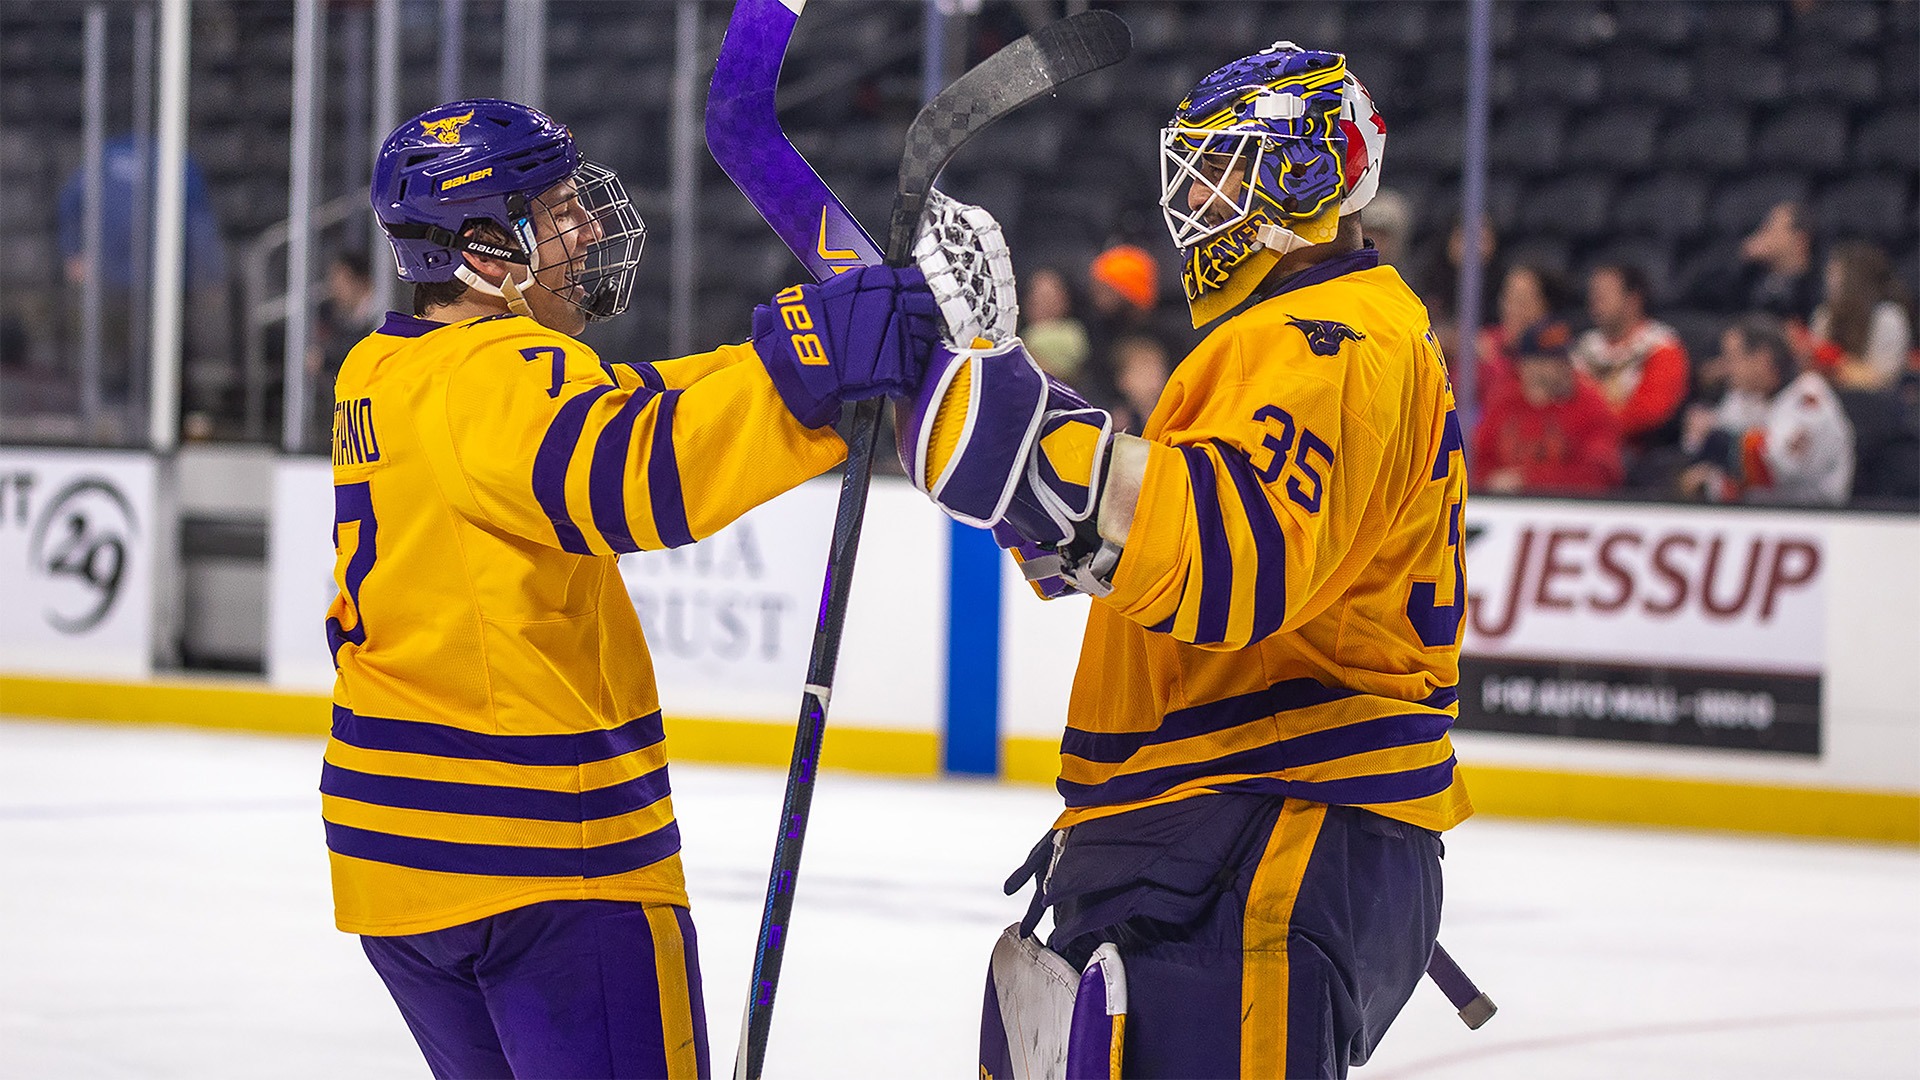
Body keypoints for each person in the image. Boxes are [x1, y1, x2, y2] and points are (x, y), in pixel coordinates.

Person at [326, 99, 937, 1079]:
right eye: (560, 213)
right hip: (536, 857)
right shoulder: (498, 374)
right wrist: (810, 368)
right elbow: (639, 469)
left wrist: (791, 362)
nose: (593, 229)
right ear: (486, 250)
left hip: (396, 865)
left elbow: (618, 405)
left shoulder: (382, 370)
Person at [896, 44, 1469, 1077]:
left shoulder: (1326, 337)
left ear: (1308, 171)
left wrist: (1032, 447)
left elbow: (1232, 557)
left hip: (1265, 821)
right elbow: (1150, 556)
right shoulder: (1288, 337)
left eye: (1225, 167)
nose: (1195, 196)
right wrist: (987, 408)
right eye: (1193, 168)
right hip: (1212, 825)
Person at [1681, 314, 1854, 506]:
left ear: (1763, 359)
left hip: (1816, 517)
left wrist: (1717, 437)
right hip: (1760, 515)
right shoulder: (1742, 397)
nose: (1726, 368)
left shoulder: (1809, 396)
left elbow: (1777, 468)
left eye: (1733, 358)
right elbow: (1701, 455)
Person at [1472, 320, 1624, 495]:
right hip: (1506, 512)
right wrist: (1490, 481)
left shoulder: (1590, 404)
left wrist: (1528, 480)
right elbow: (1477, 463)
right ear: (1527, 366)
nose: (1565, 368)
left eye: (1565, 359)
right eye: (1553, 361)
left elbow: (1600, 474)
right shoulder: (1503, 402)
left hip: (1568, 512)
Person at [1571, 262, 1689, 454]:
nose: (1595, 299)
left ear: (1633, 300)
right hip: (1584, 444)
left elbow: (1652, 411)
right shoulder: (1585, 347)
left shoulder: (1660, 345)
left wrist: (1594, 425)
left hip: (1637, 450)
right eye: (1594, 292)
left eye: (1605, 292)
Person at [1809, 240, 1913, 392]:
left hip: (1875, 403)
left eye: (1835, 275)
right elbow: (1814, 369)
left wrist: (1832, 359)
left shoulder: (1888, 317)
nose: (1829, 282)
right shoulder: (1825, 315)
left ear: (1853, 280)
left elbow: (1879, 380)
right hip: (1829, 397)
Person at [1474, 262, 1569, 406]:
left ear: (1545, 306)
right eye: (1507, 298)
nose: (1511, 309)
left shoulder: (1554, 351)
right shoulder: (1483, 343)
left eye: (1522, 301)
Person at [1019, 265, 1091, 381]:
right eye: (1040, 299)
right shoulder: (1016, 340)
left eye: (1051, 298)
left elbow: (1063, 373)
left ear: (1064, 300)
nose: (1046, 305)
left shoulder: (1074, 333)